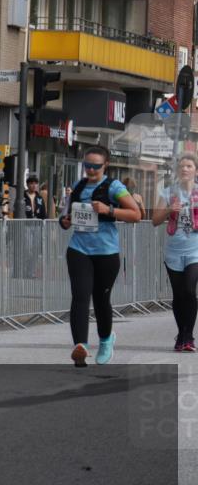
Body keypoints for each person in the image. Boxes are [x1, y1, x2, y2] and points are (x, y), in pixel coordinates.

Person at [58, 146, 141, 367]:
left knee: (101, 299)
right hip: (79, 248)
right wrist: (65, 221)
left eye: (96, 166)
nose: (91, 170)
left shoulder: (114, 187)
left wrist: (108, 210)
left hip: (106, 252)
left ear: (105, 166)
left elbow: (135, 214)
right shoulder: (78, 185)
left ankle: (106, 340)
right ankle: (81, 347)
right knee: (80, 296)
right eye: (87, 165)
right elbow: (66, 215)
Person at [151, 154, 198, 352]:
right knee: (179, 295)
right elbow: (155, 220)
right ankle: (182, 336)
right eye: (182, 166)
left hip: (195, 251)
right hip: (173, 252)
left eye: (189, 166)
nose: (185, 169)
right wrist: (170, 209)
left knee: (189, 290)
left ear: (195, 170)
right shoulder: (169, 192)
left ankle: (189, 336)